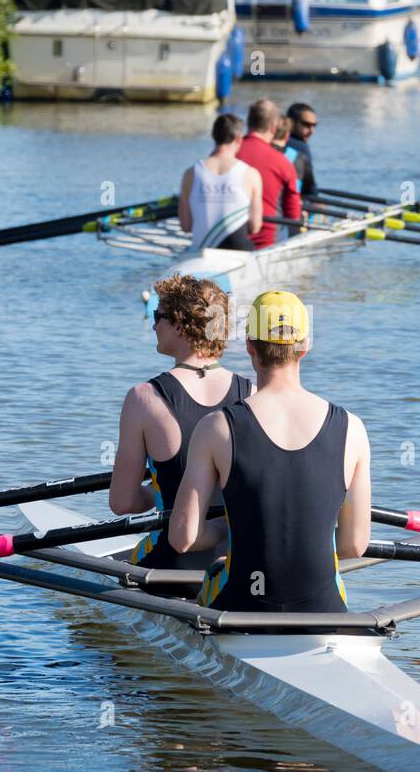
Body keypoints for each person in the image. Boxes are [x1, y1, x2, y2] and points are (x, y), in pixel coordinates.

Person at [168, 289, 371, 613]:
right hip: (324, 610)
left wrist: (226, 528)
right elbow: (354, 545)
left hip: (242, 604)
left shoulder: (216, 428)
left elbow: (183, 538)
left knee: (217, 572)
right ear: (305, 347)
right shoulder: (353, 429)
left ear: (249, 346)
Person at [109, 274, 252, 572]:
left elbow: (122, 502)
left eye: (158, 315)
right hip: (237, 563)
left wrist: (157, 491)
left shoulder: (143, 399)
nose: (153, 324)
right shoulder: (252, 394)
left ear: (180, 325)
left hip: (171, 563)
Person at [178, 112, 263, 251]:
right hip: (238, 252)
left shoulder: (190, 173)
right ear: (239, 138)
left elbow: (186, 226)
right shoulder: (251, 174)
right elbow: (255, 227)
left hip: (202, 252)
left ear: (214, 136)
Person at [238, 98, 302, 248]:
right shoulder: (283, 162)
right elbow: (293, 216)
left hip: (224, 239)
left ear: (248, 123)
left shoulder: (227, 153)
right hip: (263, 243)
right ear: (274, 127)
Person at [285, 102, 319, 198]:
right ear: (290, 123)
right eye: (306, 125)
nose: (312, 130)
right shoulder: (301, 147)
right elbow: (310, 187)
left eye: (314, 125)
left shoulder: (273, 140)